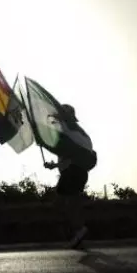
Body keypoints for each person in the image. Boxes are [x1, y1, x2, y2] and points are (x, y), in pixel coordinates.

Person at [44, 103, 92, 249]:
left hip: (72, 172)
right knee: (69, 203)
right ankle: (77, 233)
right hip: (76, 171)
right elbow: (70, 154)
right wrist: (55, 165)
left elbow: (70, 153)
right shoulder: (77, 132)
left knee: (65, 203)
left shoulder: (68, 130)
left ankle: (79, 230)